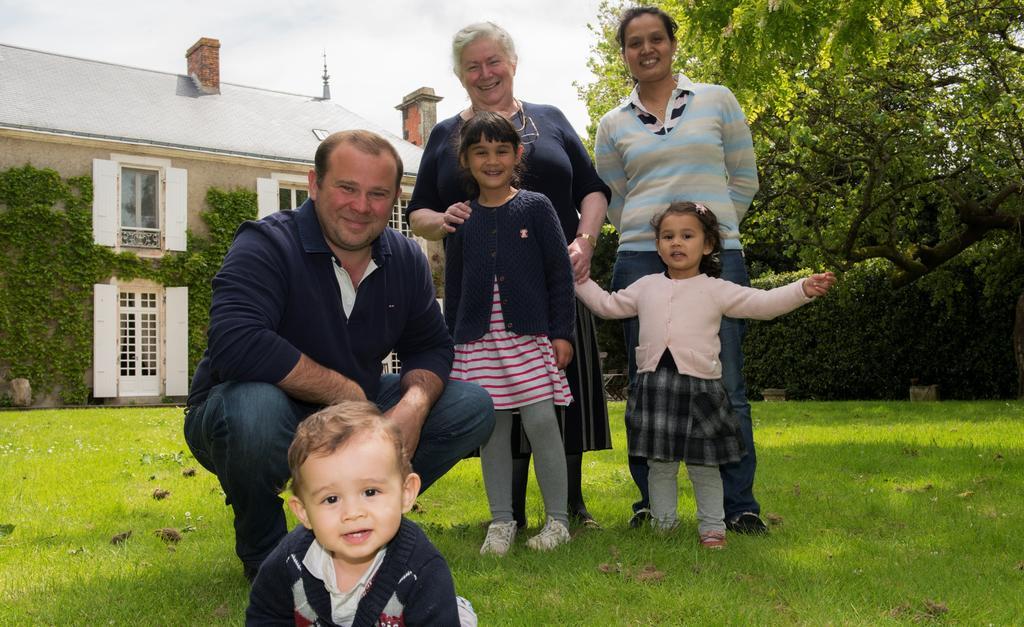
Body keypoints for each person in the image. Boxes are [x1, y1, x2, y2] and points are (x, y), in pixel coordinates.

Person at [184, 129, 495, 581]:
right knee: (254, 410)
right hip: (244, 409)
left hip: (355, 412)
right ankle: (268, 557)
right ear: (314, 185)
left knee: (472, 406)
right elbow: (236, 340)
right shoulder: (267, 243)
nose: (361, 206)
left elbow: (429, 345)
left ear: (394, 201)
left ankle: (348, 532)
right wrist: (347, 393)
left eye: (377, 194)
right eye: (347, 188)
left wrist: (412, 408)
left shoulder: (406, 257)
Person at [407, 21, 611, 530]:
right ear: (459, 75)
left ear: (513, 64)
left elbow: (592, 189)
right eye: (472, 66)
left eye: (493, 61)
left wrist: (584, 241)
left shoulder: (551, 119)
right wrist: (444, 219)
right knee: (497, 398)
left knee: (559, 396)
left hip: (557, 281)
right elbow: (418, 214)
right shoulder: (444, 135)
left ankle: (570, 508)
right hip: (483, 294)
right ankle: (510, 512)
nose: (485, 73)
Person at [594, 6, 766, 532]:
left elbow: (743, 178)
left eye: (655, 39)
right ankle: (652, 506)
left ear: (672, 43)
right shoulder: (612, 123)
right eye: (633, 43)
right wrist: (652, 235)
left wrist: (708, 233)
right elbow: (616, 196)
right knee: (649, 389)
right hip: (641, 260)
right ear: (623, 54)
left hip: (717, 258)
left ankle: (738, 509)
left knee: (725, 387)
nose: (646, 49)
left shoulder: (716, 99)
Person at [576, 203, 836, 547]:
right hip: (656, 387)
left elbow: (762, 304)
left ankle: (713, 527)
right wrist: (578, 279)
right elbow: (608, 306)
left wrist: (802, 289)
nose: (676, 243)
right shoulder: (645, 286)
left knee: (704, 465)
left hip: (702, 390)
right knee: (660, 464)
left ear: (708, 244)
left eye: (687, 235)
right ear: (657, 246)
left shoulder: (716, 289)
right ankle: (663, 525)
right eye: (667, 237)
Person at [446, 112, 576, 554]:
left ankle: (558, 521)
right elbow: (455, 288)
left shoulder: (536, 207)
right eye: (480, 151)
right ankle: (502, 521)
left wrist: (563, 333)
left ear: (517, 155)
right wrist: (451, 345)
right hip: (478, 342)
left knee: (542, 423)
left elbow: (560, 274)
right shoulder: (462, 220)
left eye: (502, 150)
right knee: (492, 431)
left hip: (529, 338)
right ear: (466, 159)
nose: (492, 159)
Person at [247, 402, 478, 625]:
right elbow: (265, 615)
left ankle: (460, 611)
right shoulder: (292, 559)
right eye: (331, 499)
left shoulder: (421, 570)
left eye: (370, 492)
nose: (353, 513)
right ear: (304, 512)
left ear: (405, 493)